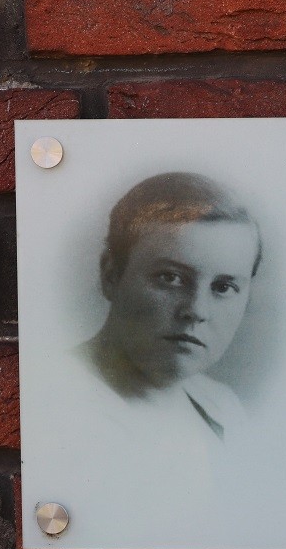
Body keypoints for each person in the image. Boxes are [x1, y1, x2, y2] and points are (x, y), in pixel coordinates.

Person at [77, 172, 261, 442]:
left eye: (223, 287)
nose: (197, 311)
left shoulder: (223, 407)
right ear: (111, 274)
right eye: (170, 277)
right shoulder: (62, 405)